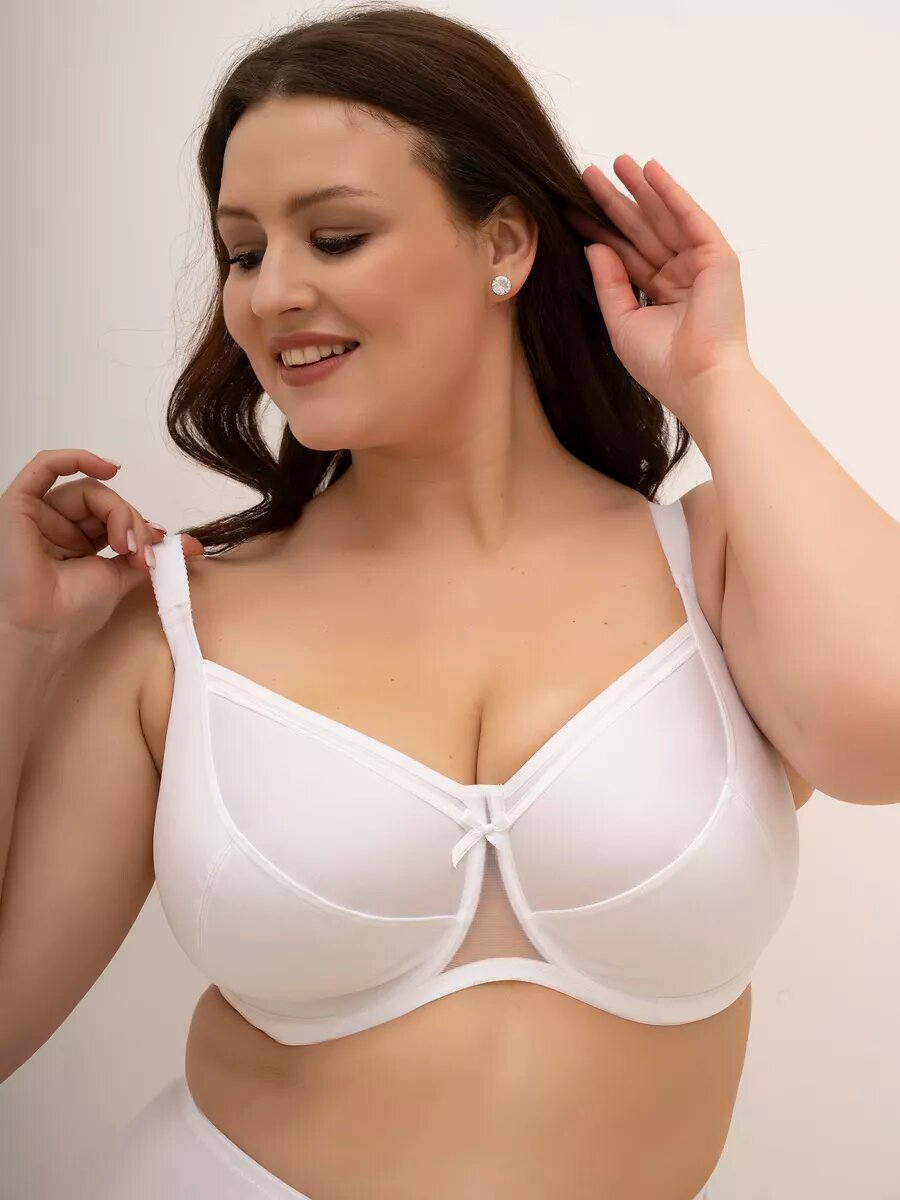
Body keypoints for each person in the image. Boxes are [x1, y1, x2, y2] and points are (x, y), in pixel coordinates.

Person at [0, 6, 813, 1198]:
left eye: (334, 236)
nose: (272, 293)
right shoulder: (174, 629)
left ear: (505, 242)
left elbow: (883, 734)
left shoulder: (722, 562)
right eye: (242, 252)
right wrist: (19, 645)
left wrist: (719, 377)